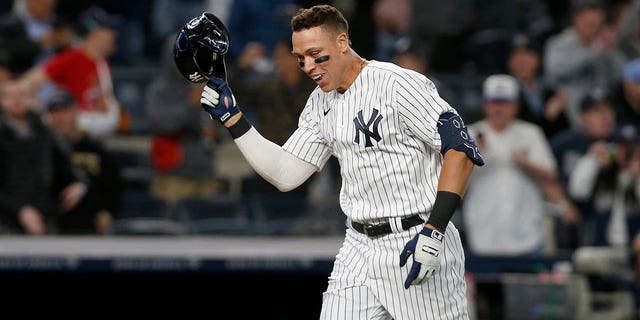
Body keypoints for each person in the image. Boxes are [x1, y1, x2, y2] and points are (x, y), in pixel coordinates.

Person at [193, 5, 484, 318]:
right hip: (358, 246)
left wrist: (435, 230)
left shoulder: (397, 83)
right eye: (300, 57)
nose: (307, 65)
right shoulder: (320, 103)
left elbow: (460, 148)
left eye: (316, 53)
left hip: (417, 236)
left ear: (343, 43)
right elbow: (286, 173)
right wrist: (233, 119)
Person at [462, 74, 569, 256]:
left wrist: (525, 162)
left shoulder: (530, 133)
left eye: (504, 103)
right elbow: (448, 178)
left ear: (515, 106)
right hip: (483, 233)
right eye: (493, 102)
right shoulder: (469, 134)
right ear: (485, 105)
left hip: (527, 233)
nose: (498, 109)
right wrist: (471, 156)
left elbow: (551, 174)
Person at [19, 6, 122, 140]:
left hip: (93, 130)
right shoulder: (72, 58)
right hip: (70, 130)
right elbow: (27, 83)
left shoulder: (102, 63)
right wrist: (43, 115)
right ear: (97, 34)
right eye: (109, 31)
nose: (114, 36)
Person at [0, 80, 86, 235]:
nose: (17, 100)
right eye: (11, 96)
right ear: (2, 100)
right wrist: (20, 209)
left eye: (22, 95)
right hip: (6, 222)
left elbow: (66, 165)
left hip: (43, 217)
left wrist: (78, 183)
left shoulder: (43, 131)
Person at [45, 90, 124, 234]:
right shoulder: (43, 149)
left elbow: (114, 185)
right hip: (52, 225)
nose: (60, 118)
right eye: (55, 113)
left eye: (64, 111)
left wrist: (107, 212)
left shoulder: (95, 149)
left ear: (75, 112)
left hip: (90, 225)